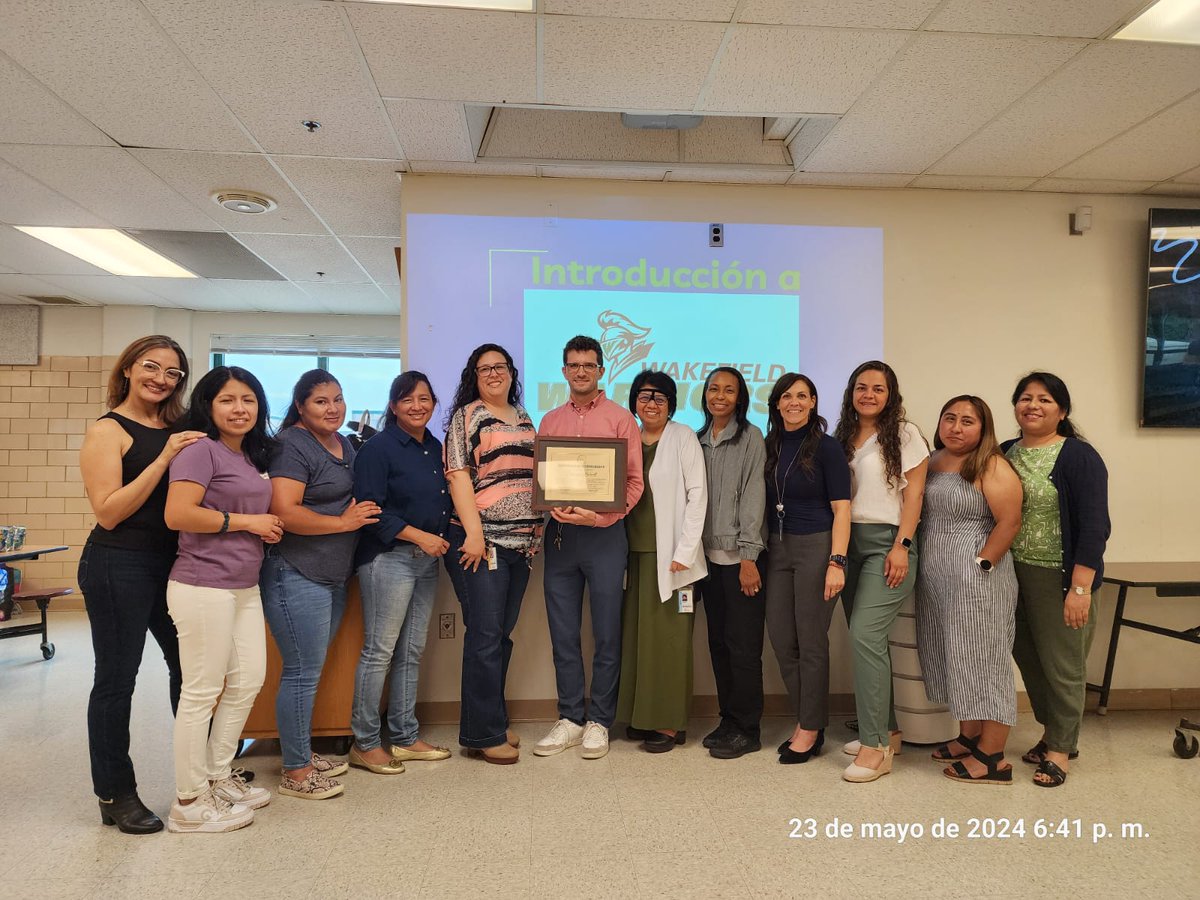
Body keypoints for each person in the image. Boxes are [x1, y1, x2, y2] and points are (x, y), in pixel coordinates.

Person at [78, 336, 204, 834]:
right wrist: (164, 457)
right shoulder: (108, 430)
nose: (161, 378)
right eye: (151, 367)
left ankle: (198, 776)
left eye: (173, 373)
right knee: (117, 680)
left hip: (173, 565)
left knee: (190, 672)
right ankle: (115, 793)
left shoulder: (180, 427)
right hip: (117, 563)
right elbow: (108, 512)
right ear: (128, 369)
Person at [163, 366, 281, 832]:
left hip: (242, 584)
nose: (240, 409)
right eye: (228, 400)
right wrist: (248, 522)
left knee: (248, 680)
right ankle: (188, 804)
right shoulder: (200, 451)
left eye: (248, 399)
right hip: (201, 583)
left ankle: (216, 776)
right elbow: (179, 513)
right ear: (208, 406)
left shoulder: (249, 455)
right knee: (201, 693)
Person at [261, 370, 381, 799]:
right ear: (300, 407)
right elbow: (285, 511)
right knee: (301, 673)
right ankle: (296, 772)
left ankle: (302, 754)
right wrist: (343, 521)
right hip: (296, 572)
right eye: (321, 402)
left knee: (308, 669)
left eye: (338, 399)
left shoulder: (341, 442)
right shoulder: (292, 445)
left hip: (331, 575)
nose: (333, 409)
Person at [533, 336, 643, 760]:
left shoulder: (621, 420)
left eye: (589, 365)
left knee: (606, 633)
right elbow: (542, 482)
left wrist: (599, 517)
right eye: (573, 365)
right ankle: (570, 719)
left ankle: (599, 721)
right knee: (563, 634)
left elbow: (634, 483)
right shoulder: (550, 421)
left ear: (601, 370)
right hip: (560, 537)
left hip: (605, 536)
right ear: (564, 371)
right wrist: (553, 503)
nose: (581, 371)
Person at [1002, 372, 1109, 788]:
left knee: (1063, 665)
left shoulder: (1079, 456)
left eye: (1044, 400)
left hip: (1060, 578)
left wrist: (1080, 588)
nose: (1033, 405)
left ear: (1061, 411)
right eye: (1025, 398)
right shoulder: (1006, 451)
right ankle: (1053, 731)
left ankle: (1061, 749)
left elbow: (1095, 525)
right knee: (1027, 656)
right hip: (1013, 574)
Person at [443, 344, 542, 764]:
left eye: (500, 366)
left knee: (499, 637)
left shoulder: (523, 417)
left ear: (511, 372)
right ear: (474, 375)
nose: (493, 373)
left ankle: (488, 723)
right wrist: (474, 533)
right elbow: (458, 476)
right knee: (485, 637)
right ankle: (484, 734)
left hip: (523, 545)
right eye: (485, 369)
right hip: (483, 544)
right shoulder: (466, 417)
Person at [350, 371, 452, 774]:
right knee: (380, 652)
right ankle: (366, 742)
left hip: (425, 561)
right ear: (393, 405)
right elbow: (371, 510)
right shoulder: (378, 449)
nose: (417, 405)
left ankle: (406, 737)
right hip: (388, 559)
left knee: (411, 651)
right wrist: (421, 537)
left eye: (425, 398)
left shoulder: (433, 446)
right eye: (407, 399)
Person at [916, 396, 1022, 784]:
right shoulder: (933, 461)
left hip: (978, 580)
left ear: (983, 428)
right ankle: (969, 737)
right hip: (939, 580)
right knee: (957, 657)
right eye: (950, 419)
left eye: (967, 421)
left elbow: (1009, 521)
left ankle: (992, 757)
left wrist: (982, 564)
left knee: (986, 662)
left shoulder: (991, 464)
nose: (956, 427)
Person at [833, 361, 928, 783]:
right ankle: (888, 730)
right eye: (861, 387)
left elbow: (915, 496)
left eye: (878, 388)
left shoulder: (906, 435)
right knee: (869, 640)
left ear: (891, 395)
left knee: (865, 635)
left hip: (886, 544)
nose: (868, 394)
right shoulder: (840, 437)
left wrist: (902, 547)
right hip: (844, 545)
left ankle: (875, 749)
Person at [616, 371, 707, 753]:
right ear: (634, 400)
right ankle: (642, 717)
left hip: (671, 557)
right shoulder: (626, 438)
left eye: (660, 397)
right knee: (638, 640)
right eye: (644, 396)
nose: (651, 403)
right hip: (632, 554)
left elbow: (697, 493)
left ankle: (669, 724)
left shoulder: (682, 436)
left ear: (671, 403)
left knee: (668, 643)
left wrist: (684, 552)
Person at [763, 374, 851, 765]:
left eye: (802, 396)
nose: (794, 402)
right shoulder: (770, 446)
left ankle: (810, 728)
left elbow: (842, 509)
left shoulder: (828, 449)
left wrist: (837, 561)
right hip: (776, 549)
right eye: (787, 396)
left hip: (817, 546)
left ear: (813, 402)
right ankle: (807, 718)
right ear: (777, 403)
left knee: (811, 640)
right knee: (783, 640)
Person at [695, 367, 768, 759]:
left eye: (729, 390)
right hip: (707, 562)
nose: (719, 395)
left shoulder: (751, 438)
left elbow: (754, 497)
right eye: (713, 389)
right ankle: (728, 719)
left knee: (743, 647)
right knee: (718, 643)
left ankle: (748, 728)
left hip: (741, 561)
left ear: (740, 398)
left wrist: (748, 557)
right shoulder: (698, 440)